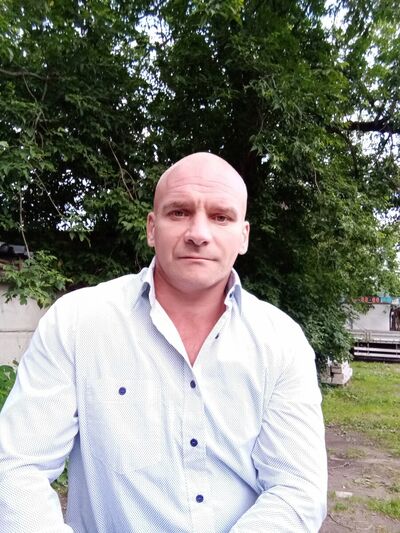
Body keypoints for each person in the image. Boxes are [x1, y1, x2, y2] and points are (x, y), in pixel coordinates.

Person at [0, 152, 327, 532]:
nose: (198, 233)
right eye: (179, 212)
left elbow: (297, 488)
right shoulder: (76, 323)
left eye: (221, 217)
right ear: (152, 228)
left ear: (243, 236)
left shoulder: (282, 341)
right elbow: (18, 465)